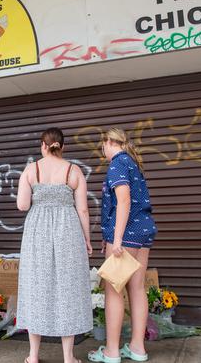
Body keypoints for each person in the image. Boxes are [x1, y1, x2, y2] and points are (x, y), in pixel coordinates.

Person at [16, 127, 93, 363]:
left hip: (37, 232)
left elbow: (22, 205)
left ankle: (33, 355)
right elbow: (82, 209)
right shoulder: (73, 170)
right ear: (63, 146)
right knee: (67, 289)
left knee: (36, 287)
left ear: (42, 145)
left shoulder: (31, 169)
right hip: (67, 230)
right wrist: (87, 239)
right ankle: (69, 357)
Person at [88, 128, 157, 363]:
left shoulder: (117, 163)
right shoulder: (133, 163)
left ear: (108, 142)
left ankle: (112, 351)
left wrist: (116, 240)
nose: (103, 151)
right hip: (143, 232)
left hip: (125, 235)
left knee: (113, 290)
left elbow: (124, 199)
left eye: (103, 146)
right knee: (137, 289)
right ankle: (138, 348)